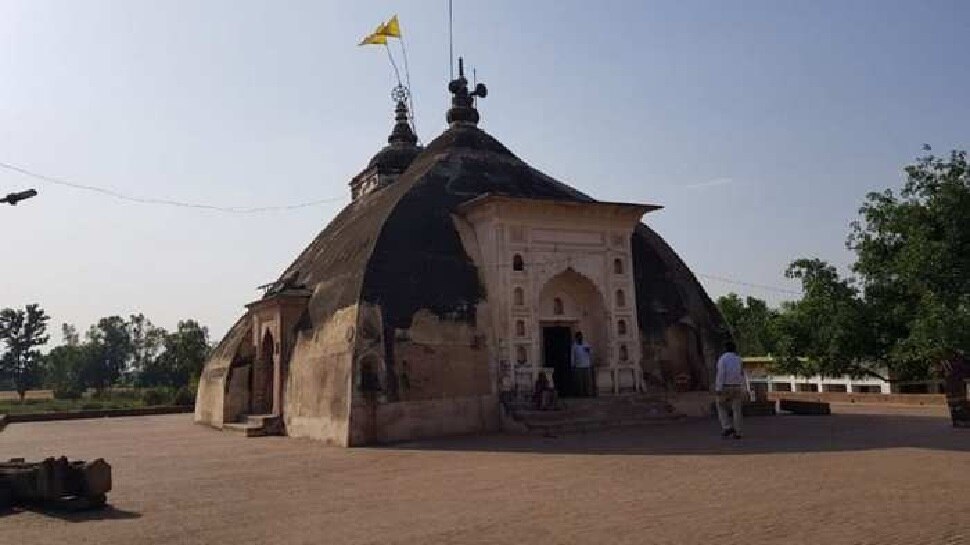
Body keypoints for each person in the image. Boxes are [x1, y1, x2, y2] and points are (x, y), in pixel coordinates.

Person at [714, 340, 749, 439]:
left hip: (726, 386)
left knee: (720, 405)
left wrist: (718, 388)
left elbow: (721, 374)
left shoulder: (723, 359)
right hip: (737, 386)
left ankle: (727, 426)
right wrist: (744, 388)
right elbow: (742, 374)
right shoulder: (738, 359)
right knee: (737, 410)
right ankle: (738, 431)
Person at [940, 349, 970, 428]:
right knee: (958, 405)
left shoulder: (945, 363)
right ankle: (961, 422)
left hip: (951, 387)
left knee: (955, 406)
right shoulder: (955, 364)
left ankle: (957, 422)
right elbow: (964, 370)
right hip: (956, 386)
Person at [571, 331, 593, 397]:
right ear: (576, 338)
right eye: (578, 337)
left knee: (587, 381)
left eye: (580, 336)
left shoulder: (586, 344)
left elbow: (591, 352)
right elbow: (572, 356)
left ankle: (588, 393)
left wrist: (589, 351)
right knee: (580, 382)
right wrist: (572, 365)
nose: (580, 338)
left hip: (586, 365)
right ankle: (581, 394)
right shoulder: (574, 346)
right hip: (578, 366)